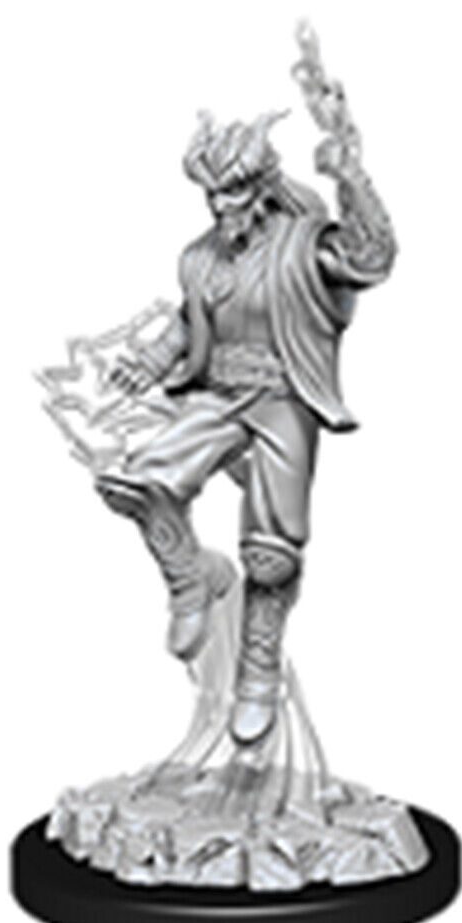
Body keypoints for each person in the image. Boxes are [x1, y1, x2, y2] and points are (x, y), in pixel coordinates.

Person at [97, 59, 394, 746]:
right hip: (216, 393)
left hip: (284, 397)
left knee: (271, 549)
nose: (220, 208)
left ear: (260, 189)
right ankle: (190, 579)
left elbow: (371, 258)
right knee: (138, 482)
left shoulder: (300, 245)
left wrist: (350, 175)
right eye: (212, 196)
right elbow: (189, 320)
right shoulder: (200, 258)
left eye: (232, 193)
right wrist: (152, 361)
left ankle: (258, 671)